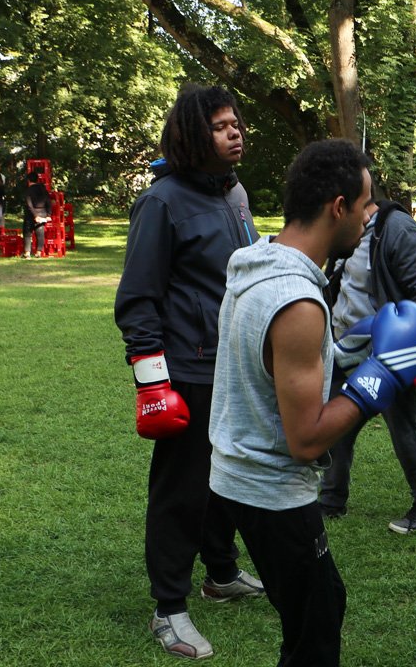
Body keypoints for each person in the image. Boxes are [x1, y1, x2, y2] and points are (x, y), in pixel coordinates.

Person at [208, 140, 416, 666]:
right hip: (270, 489)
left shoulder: (255, 261)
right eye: (364, 206)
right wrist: (382, 375)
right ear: (338, 207)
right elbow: (307, 437)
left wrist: (359, 342)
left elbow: (277, 366)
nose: (369, 219)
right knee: (315, 634)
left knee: (321, 606)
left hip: (237, 472)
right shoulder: (296, 300)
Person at [114, 85, 264, 659]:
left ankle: (221, 573)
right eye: (222, 126)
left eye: (237, 124)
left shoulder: (236, 192)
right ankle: (169, 609)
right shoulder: (163, 202)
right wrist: (152, 381)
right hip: (186, 370)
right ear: (192, 135)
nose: (236, 133)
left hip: (235, 364)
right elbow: (137, 298)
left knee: (227, 478)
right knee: (181, 488)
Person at [317, 195, 416, 533]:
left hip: (389, 348)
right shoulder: (346, 231)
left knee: (404, 426)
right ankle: (331, 500)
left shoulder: (398, 230)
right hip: (346, 344)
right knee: (336, 423)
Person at [22, 171, 52, 258]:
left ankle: (27, 253)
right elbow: (48, 202)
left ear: (28, 180)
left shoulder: (28, 190)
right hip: (43, 212)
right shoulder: (43, 189)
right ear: (37, 179)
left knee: (27, 233)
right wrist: (48, 214)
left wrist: (35, 215)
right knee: (40, 233)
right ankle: (38, 252)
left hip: (31, 214)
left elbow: (29, 205)